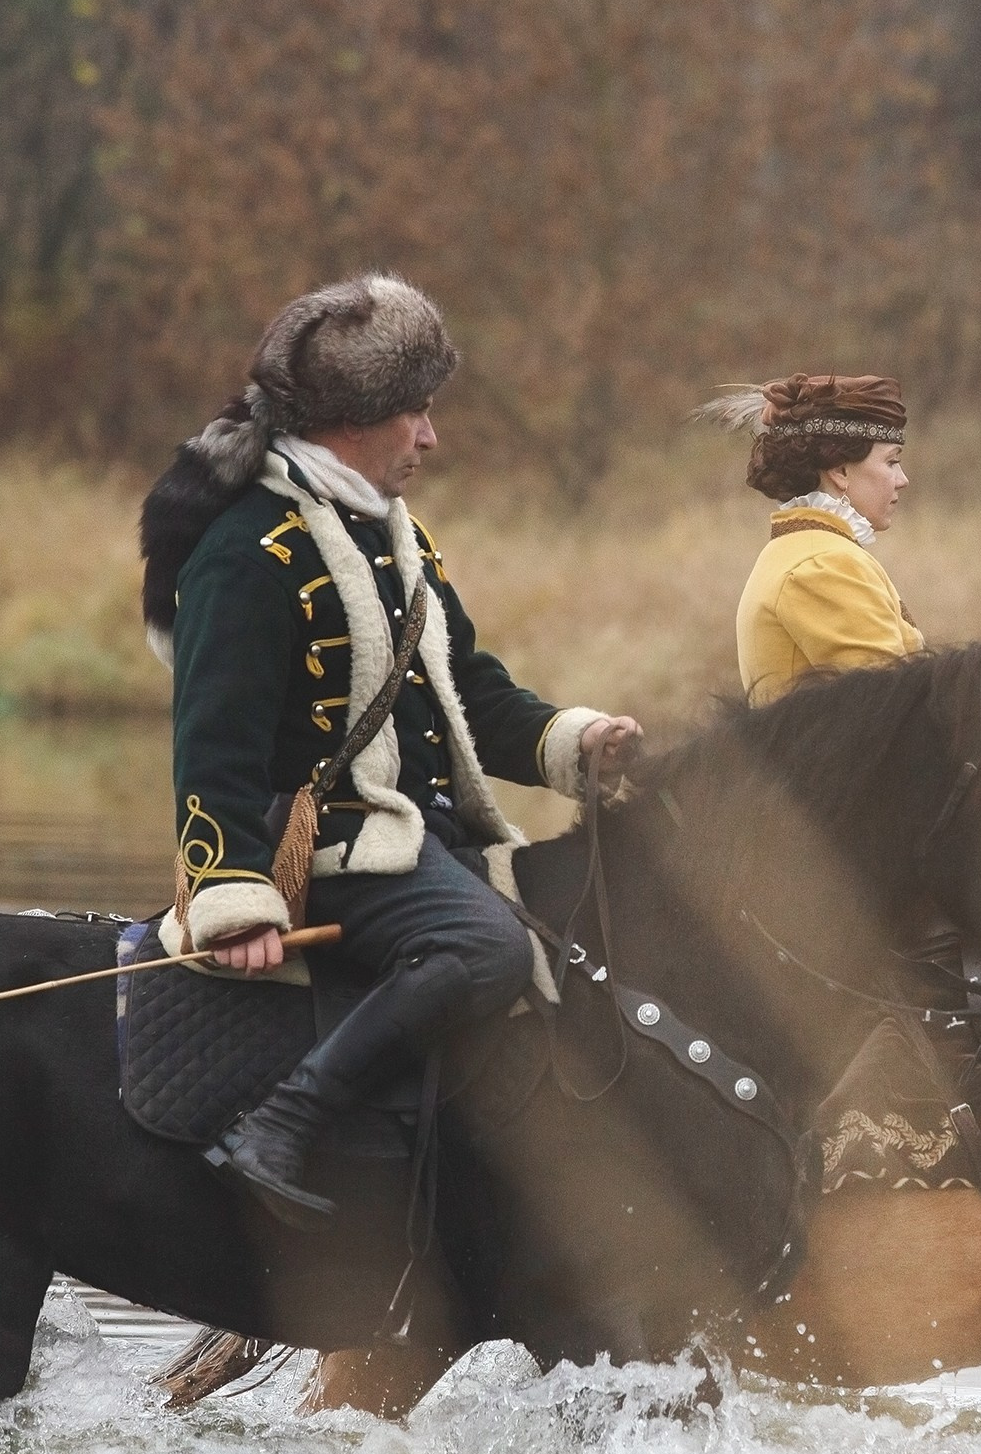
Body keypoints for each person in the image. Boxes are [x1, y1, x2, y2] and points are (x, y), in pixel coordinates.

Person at [137, 273, 641, 1227]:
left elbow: (473, 698)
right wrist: (233, 900)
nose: (430, 436)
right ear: (353, 418)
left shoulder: (394, 536)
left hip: (422, 844)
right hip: (331, 857)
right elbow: (213, 748)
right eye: (416, 411)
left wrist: (580, 742)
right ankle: (283, 1123)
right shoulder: (249, 550)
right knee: (484, 948)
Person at [710, 374, 924, 703]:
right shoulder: (824, 565)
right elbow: (893, 710)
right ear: (840, 471)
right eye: (891, 461)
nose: (902, 479)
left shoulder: (803, 550)